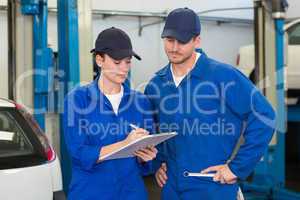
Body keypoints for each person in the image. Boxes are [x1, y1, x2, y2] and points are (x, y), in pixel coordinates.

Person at [144, 8, 276, 200]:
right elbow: (152, 133)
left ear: (197, 40)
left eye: (182, 41)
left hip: (213, 186)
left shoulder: (224, 76)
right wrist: (157, 164)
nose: (174, 47)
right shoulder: (156, 85)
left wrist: (236, 168)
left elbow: (265, 116)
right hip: (171, 187)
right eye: (169, 40)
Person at [63, 27, 157, 200]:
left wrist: (146, 157)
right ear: (99, 60)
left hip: (131, 193)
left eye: (128, 62)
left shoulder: (140, 102)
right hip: (90, 193)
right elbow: (79, 154)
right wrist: (125, 144)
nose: (124, 68)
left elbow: (147, 164)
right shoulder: (77, 100)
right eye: (117, 62)